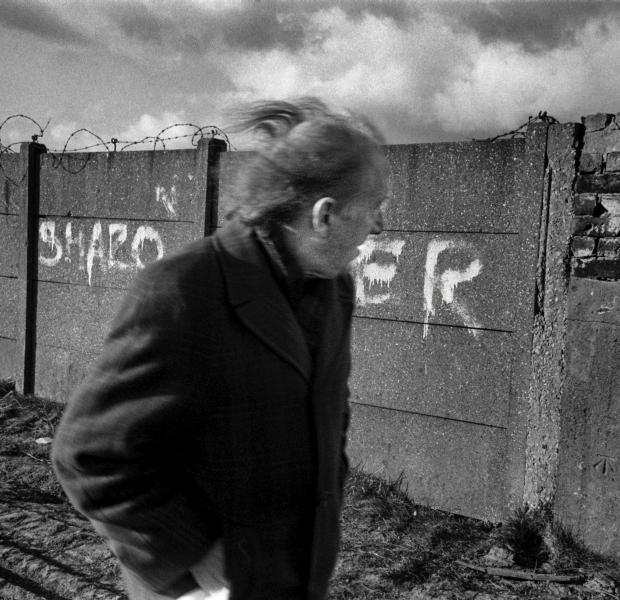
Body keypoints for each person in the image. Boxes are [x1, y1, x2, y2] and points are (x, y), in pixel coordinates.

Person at [50, 98, 388, 600]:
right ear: (325, 215)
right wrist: (192, 553)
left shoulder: (334, 292)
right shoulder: (183, 289)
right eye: (373, 210)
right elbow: (89, 454)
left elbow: (328, 413)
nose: (379, 228)